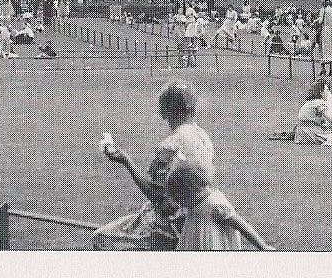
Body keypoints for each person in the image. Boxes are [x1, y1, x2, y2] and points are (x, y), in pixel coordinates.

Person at [94, 80, 214, 250]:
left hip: (168, 225)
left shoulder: (170, 145)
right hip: (195, 217)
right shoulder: (203, 137)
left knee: (101, 239)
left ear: (164, 110)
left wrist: (126, 160)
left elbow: (155, 193)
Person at [165, 156, 273, 251]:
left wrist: (263, 246)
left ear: (192, 191)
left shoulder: (215, 204)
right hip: (196, 241)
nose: (180, 203)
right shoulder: (195, 201)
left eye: (180, 199)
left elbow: (241, 225)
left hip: (214, 242)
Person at [317, 0, 332, 76]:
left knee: (323, 48)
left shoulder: (323, 10)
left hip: (325, 30)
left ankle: (323, 69)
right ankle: (331, 69)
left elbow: (320, 21)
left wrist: (316, 22)